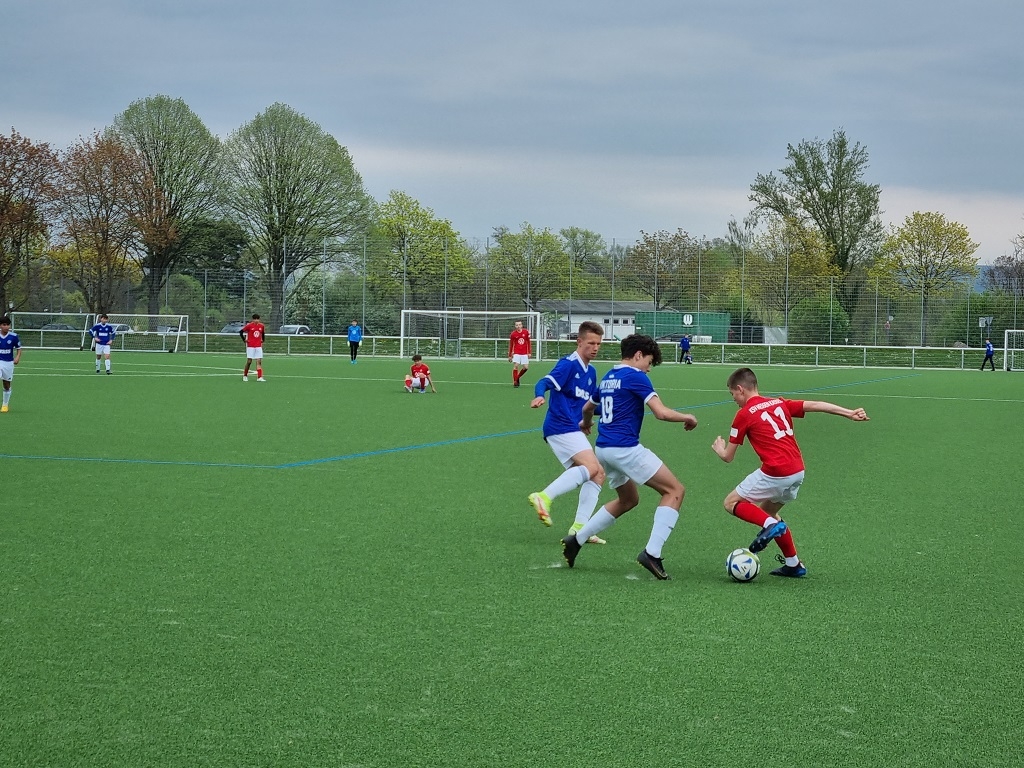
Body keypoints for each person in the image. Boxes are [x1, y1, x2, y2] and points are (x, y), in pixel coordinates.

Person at [563, 334, 699, 580]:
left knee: (628, 500)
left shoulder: (609, 377)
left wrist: (586, 424)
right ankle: (652, 553)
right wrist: (687, 417)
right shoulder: (636, 376)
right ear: (638, 355)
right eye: (649, 361)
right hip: (625, 449)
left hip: (603, 450)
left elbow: (587, 408)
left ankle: (577, 539)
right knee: (674, 491)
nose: (649, 368)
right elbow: (660, 413)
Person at [711, 367, 869, 578]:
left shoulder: (744, 414)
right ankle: (794, 564)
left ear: (740, 389)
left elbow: (728, 457)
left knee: (730, 503)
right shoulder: (779, 403)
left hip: (776, 472)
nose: (734, 400)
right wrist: (848, 412)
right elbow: (815, 405)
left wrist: (719, 449)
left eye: (733, 395)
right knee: (768, 512)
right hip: (797, 471)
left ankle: (770, 525)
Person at [529, 321, 608, 545]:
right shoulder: (568, 364)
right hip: (560, 425)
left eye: (598, 344)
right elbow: (544, 381)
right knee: (592, 468)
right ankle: (543, 497)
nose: (595, 347)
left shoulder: (591, 372)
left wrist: (612, 411)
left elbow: (588, 405)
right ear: (579, 341)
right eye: (591, 343)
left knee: (597, 474)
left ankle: (580, 529)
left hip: (571, 427)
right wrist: (539, 395)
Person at [0, 316, 22, 413]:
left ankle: (5, 405)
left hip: (8, 363)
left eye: (8, 325)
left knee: (6, 384)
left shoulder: (13, 336)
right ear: (0, 326)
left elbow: (19, 348)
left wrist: (17, 357)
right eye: (4, 325)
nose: (6, 327)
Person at [240, 314, 265, 381]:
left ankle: (259, 377)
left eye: (257, 319)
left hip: (258, 346)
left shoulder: (261, 326)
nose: (256, 320)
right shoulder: (249, 326)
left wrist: (263, 340)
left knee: (259, 361)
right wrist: (244, 340)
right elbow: (241, 332)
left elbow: (263, 333)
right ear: (253, 319)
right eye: (255, 319)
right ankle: (245, 375)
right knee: (249, 361)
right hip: (250, 346)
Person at [509, 320, 531, 387]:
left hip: (524, 353)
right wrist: (510, 355)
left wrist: (529, 352)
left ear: (521, 325)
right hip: (517, 352)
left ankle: (517, 377)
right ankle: (515, 382)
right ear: (515, 326)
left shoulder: (526, 332)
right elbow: (511, 345)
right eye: (517, 325)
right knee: (516, 365)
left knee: (526, 367)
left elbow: (528, 342)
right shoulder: (513, 334)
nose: (518, 326)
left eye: (519, 325)